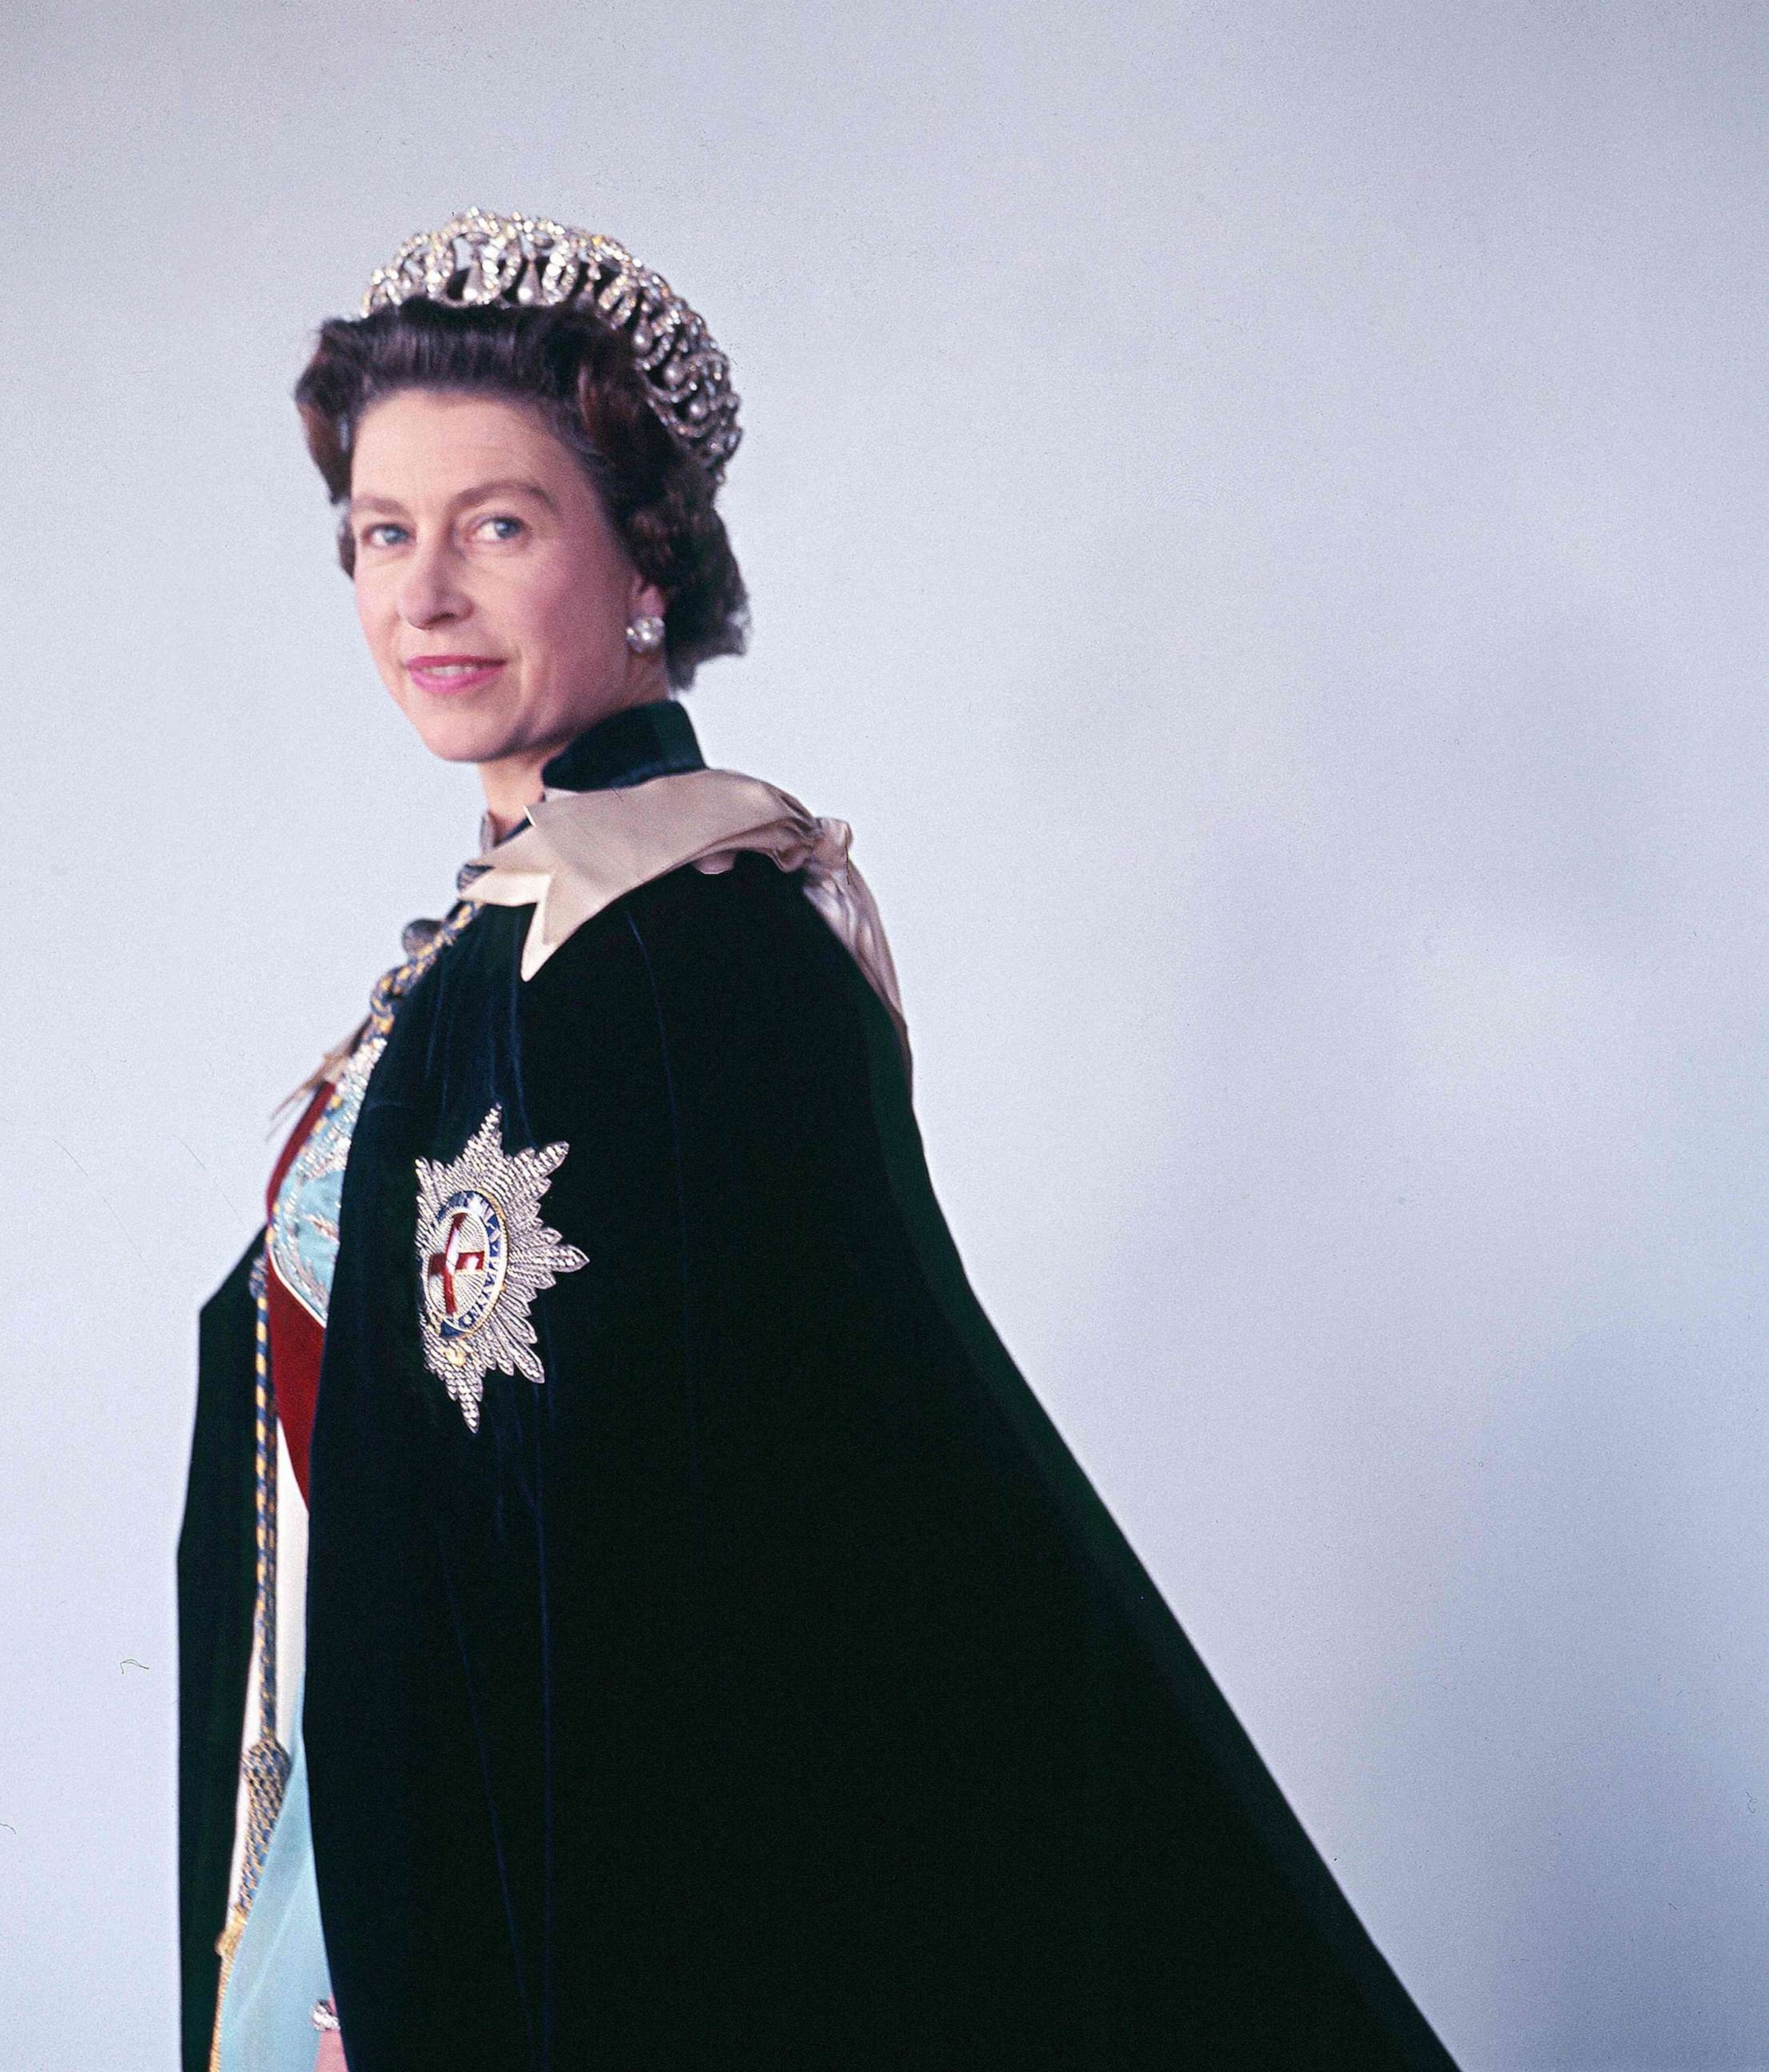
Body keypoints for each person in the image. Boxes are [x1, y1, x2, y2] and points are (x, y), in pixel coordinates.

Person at [178, 211, 1457, 2072]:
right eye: (383, 534)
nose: (423, 595)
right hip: (389, 1847)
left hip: (565, 1899)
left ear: (645, 567)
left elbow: (764, 1553)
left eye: (499, 525)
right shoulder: (485, 946)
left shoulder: (695, 943)